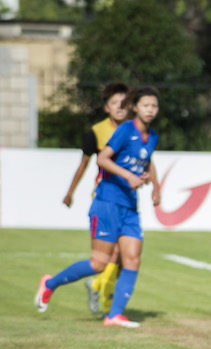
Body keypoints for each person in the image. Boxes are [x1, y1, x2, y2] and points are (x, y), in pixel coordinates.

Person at [36, 86, 162, 328]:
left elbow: (146, 162)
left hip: (130, 206)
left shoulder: (152, 136)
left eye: (154, 106)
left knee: (132, 259)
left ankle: (114, 315)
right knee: (99, 263)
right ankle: (49, 284)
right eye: (146, 105)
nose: (150, 110)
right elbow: (103, 159)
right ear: (135, 107)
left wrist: (153, 184)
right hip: (107, 202)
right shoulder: (125, 130)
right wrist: (128, 176)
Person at [62, 82, 130, 317]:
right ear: (106, 108)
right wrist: (70, 191)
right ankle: (106, 302)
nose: (120, 108)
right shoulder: (97, 132)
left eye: (124, 103)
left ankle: (98, 288)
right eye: (115, 103)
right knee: (113, 254)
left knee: (123, 258)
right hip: (105, 199)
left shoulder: (135, 130)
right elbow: (84, 165)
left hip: (127, 200)